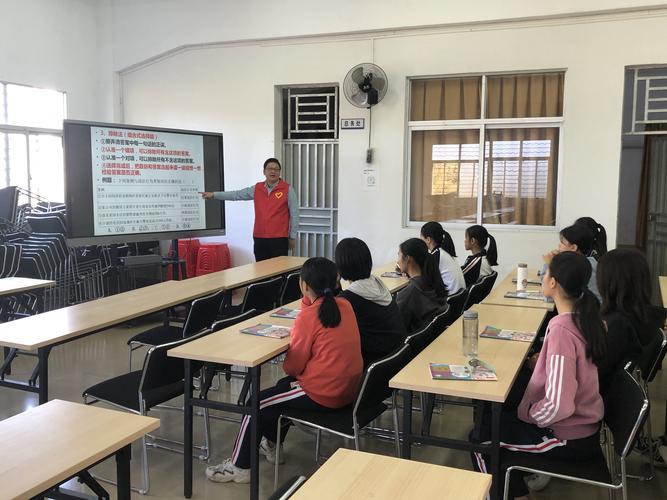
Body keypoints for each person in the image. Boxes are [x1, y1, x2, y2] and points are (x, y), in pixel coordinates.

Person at [205, 257, 362, 483]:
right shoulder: (345, 305)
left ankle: (239, 466)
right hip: (349, 389)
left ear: (304, 285)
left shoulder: (309, 317)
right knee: (281, 389)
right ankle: (271, 443)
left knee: (256, 402)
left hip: (324, 393)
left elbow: (292, 366)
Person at [472, 251, 606, 500]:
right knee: (494, 419)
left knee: (480, 442)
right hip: (580, 425)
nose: (541, 276)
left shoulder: (561, 331)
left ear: (553, 283)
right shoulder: (585, 319)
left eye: (545, 273)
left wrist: (529, 415)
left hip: (566, 435)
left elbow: (558, 404)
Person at [200, 158, 299, 261]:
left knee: (279, 270)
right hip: (259, 237)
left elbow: (295, 214)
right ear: (264, 171)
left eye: (276, 169)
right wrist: (214, 195)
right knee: (261, 270)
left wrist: (292, 236)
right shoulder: (257, 188)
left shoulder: (287, 189)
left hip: (279, 238)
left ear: (279, 172)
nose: (273, 171)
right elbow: (236, 195)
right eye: (270, 168)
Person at [597, 248, 666, 391]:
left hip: (597, 398)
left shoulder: (617, 325)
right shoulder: (637, 314)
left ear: (609, 281)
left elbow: (592, 372)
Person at [335, 237, 407, 366]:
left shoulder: (347, 300)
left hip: (372, 361)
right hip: (396, 357)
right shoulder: (378, 283)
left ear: (340, 267)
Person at [395, 238, 447, 333]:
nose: (397, 261)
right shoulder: (433, 282)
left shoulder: (408, 294)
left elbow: (395, 327)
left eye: (399, 256)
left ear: (408, 259)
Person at [544, 224, 601, 302]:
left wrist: (549, 264)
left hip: (588, 312)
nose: (559, 246)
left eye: (562, 243)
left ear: (573, 247)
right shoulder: (589, 261)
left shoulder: (575, 267)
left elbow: (550, 294)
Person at [420, 221, 466, 294]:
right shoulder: (444, 251)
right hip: (458, 297)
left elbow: (424, 279)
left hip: (449, 300)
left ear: (428, 240)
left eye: (421, 238)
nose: (420, 241)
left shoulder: (436, 255)